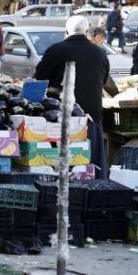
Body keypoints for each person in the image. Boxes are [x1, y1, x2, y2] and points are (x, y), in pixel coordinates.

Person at [34, 16, 110, 179]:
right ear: (87, 30)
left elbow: (40, 78)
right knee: (91, 162)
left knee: (64, 164)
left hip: (61, 117)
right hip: (92, 116)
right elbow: (102, 81)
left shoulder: (56, 50)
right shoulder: (100, 52)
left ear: (66, 31)